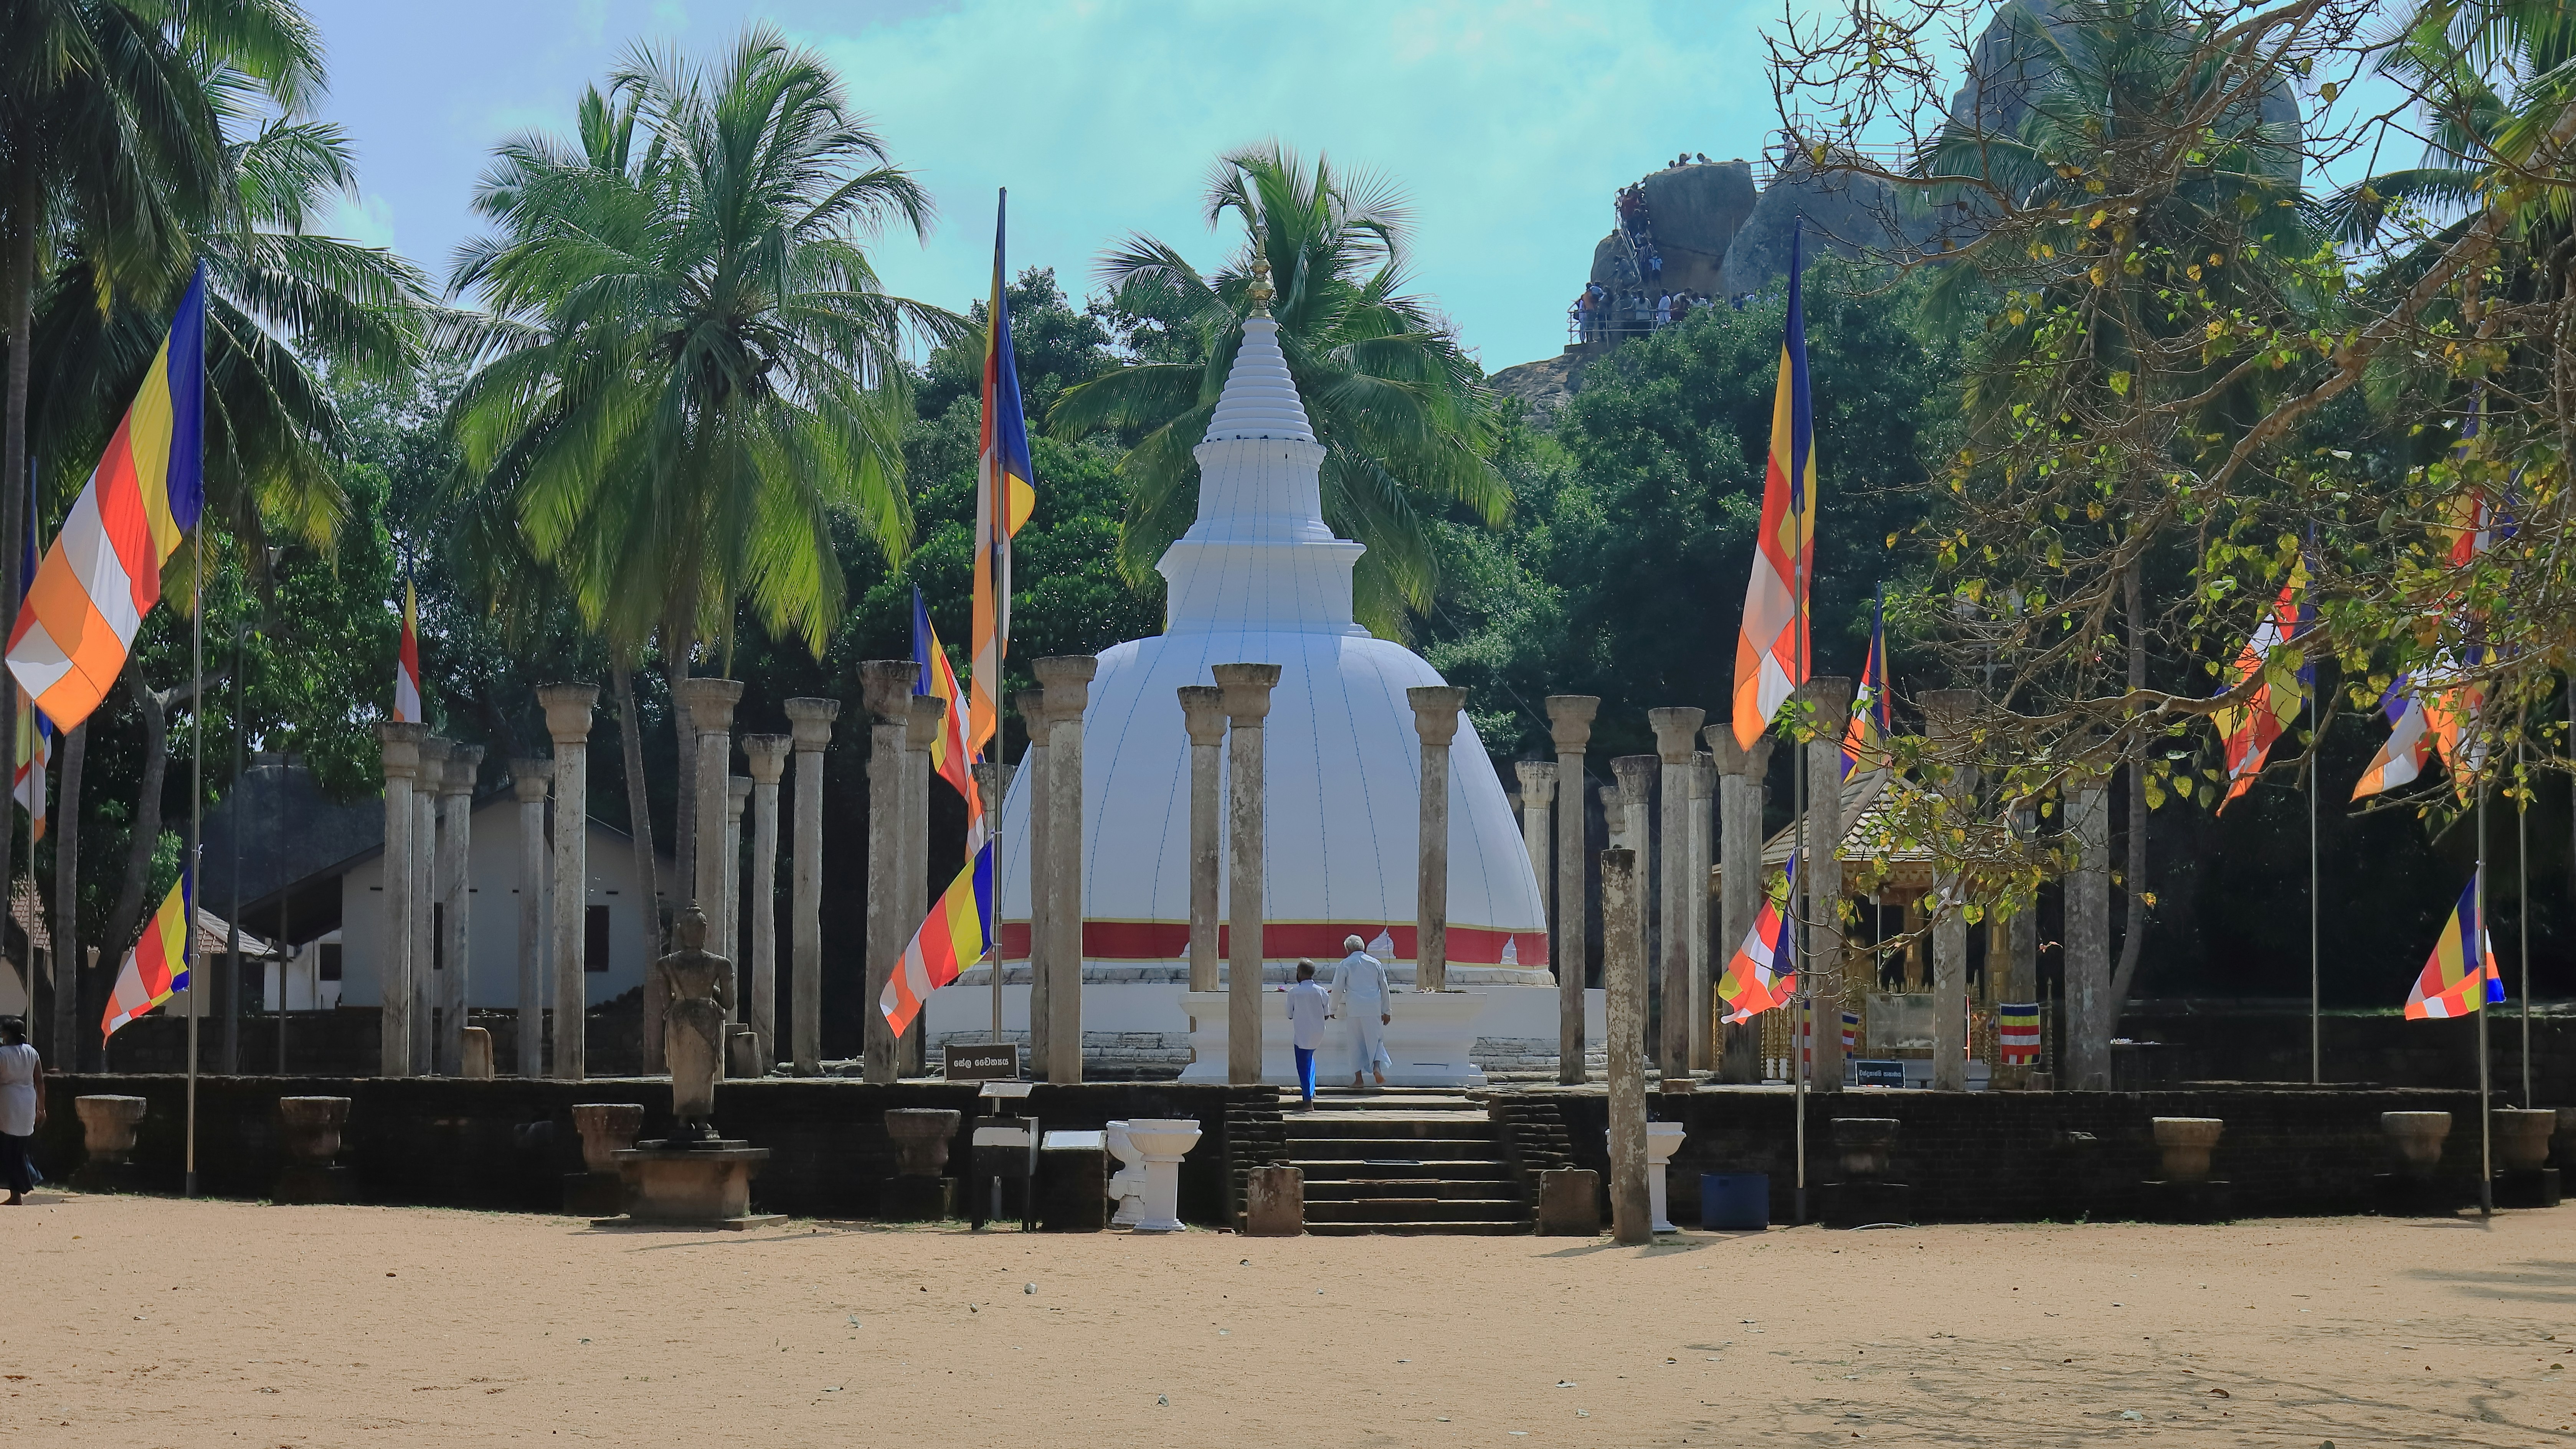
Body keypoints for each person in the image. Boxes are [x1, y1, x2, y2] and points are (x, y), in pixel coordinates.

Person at [1327, 934, 1392, 1089]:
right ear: (1363, 948)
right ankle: (1377, 1067)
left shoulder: (1345, 964)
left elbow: (1337, 989)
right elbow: (1385, 988)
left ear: (1348, 950)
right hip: (1374, 1008)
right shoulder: (1375, 963)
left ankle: (1359, 1080)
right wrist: (1387, 1011)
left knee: (1355, 1043)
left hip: (1355, 1008)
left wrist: (1333, 1008)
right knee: (1376, 1041)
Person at [0, 1016, 42, 1206]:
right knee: (20, 1148)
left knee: (9, 1151)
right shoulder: (32, 1052)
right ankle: (20, 1187)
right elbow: (39, 1081)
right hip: (28, 1102)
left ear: (7, 1035)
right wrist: (41, 1108)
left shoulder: (3, 1054)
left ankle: (17, 1193)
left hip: (8, 1102)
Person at [1283, 961, 1330, 1109]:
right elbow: (1327, 1015)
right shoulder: (1322, 991)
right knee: (1310, 1061)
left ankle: (1308, 1101)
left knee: (1303, 1066)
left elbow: (1289, 1015)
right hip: (1318, 1033)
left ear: (1300, 972)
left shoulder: (1294, 992)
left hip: (1303, 1035)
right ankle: (1311, 1090)